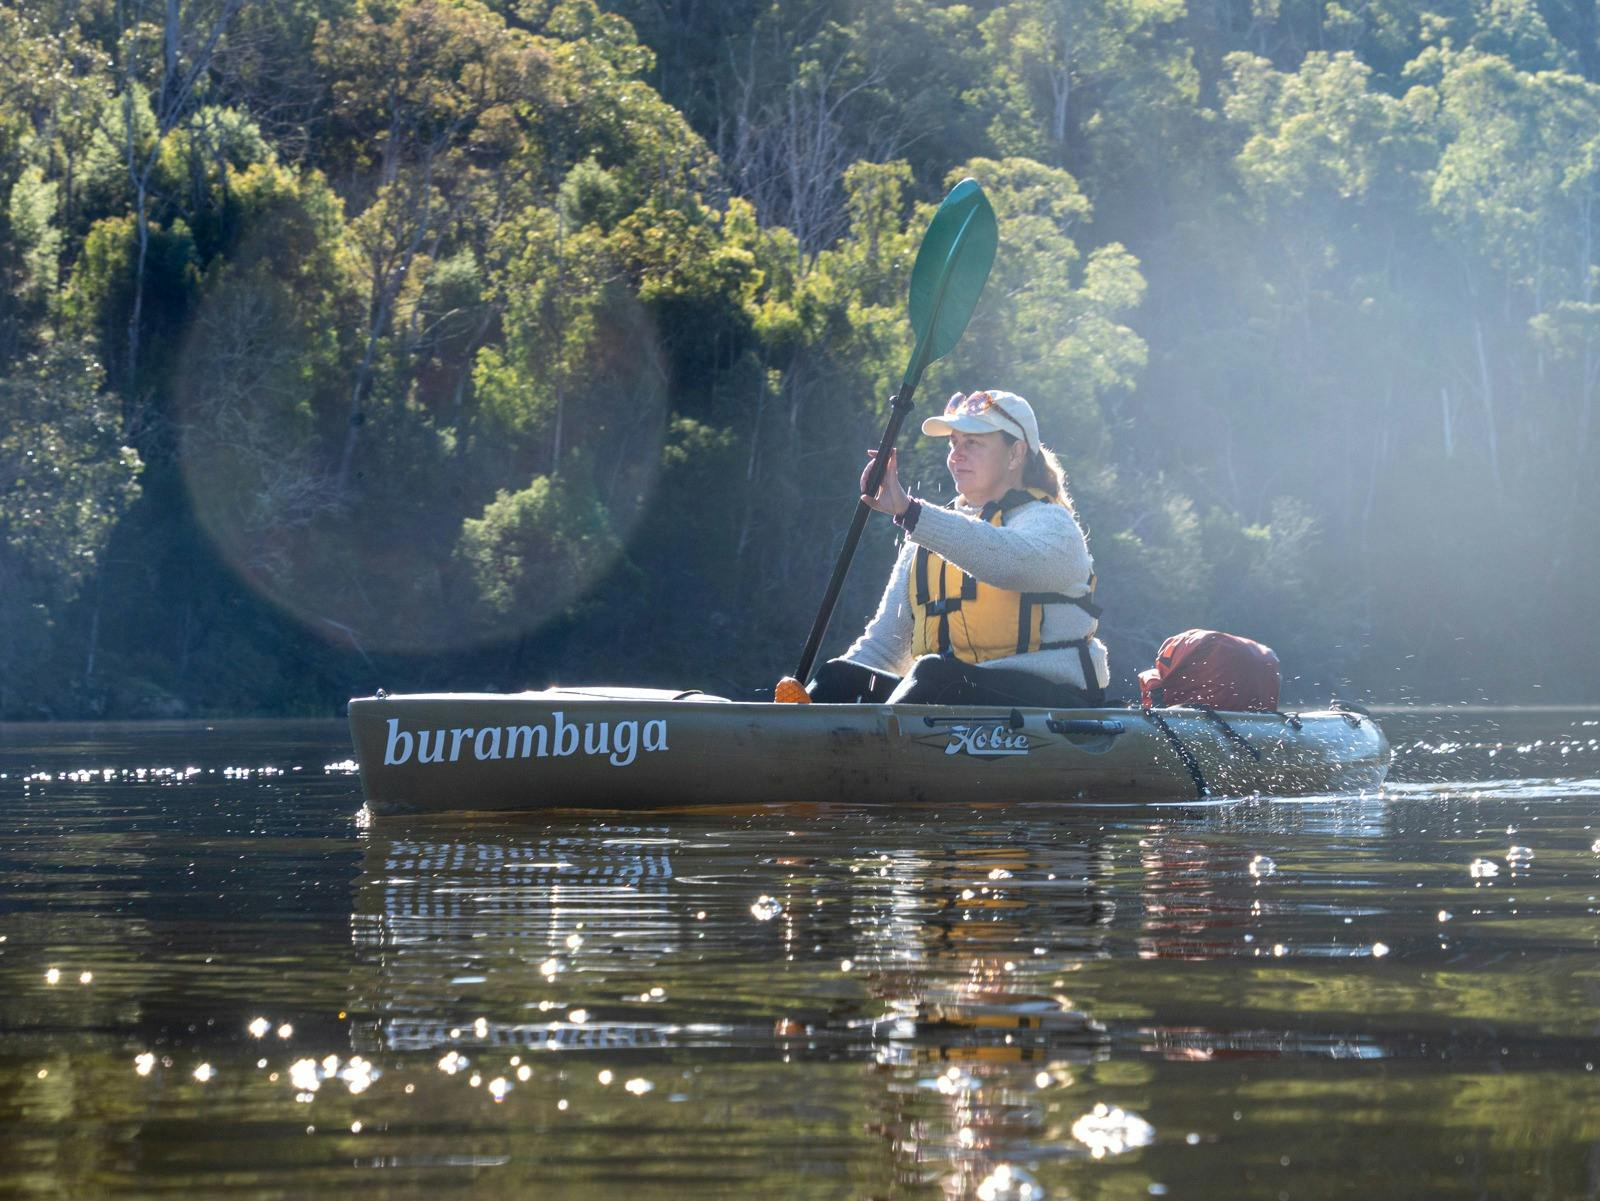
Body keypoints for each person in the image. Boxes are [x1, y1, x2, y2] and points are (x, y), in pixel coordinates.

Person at [807, 389, 1109, 707]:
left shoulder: (1055, 526)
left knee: (935, 677)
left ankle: (885, 751)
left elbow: (1009, 563)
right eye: (954, 444)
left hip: (1051, 703)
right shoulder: (927, 535)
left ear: (1015, 454)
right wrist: (821, 698)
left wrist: (909, 512)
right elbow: (883, 648)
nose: (956, 455)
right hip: (953, 698)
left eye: (973, 443)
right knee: (838, 677)